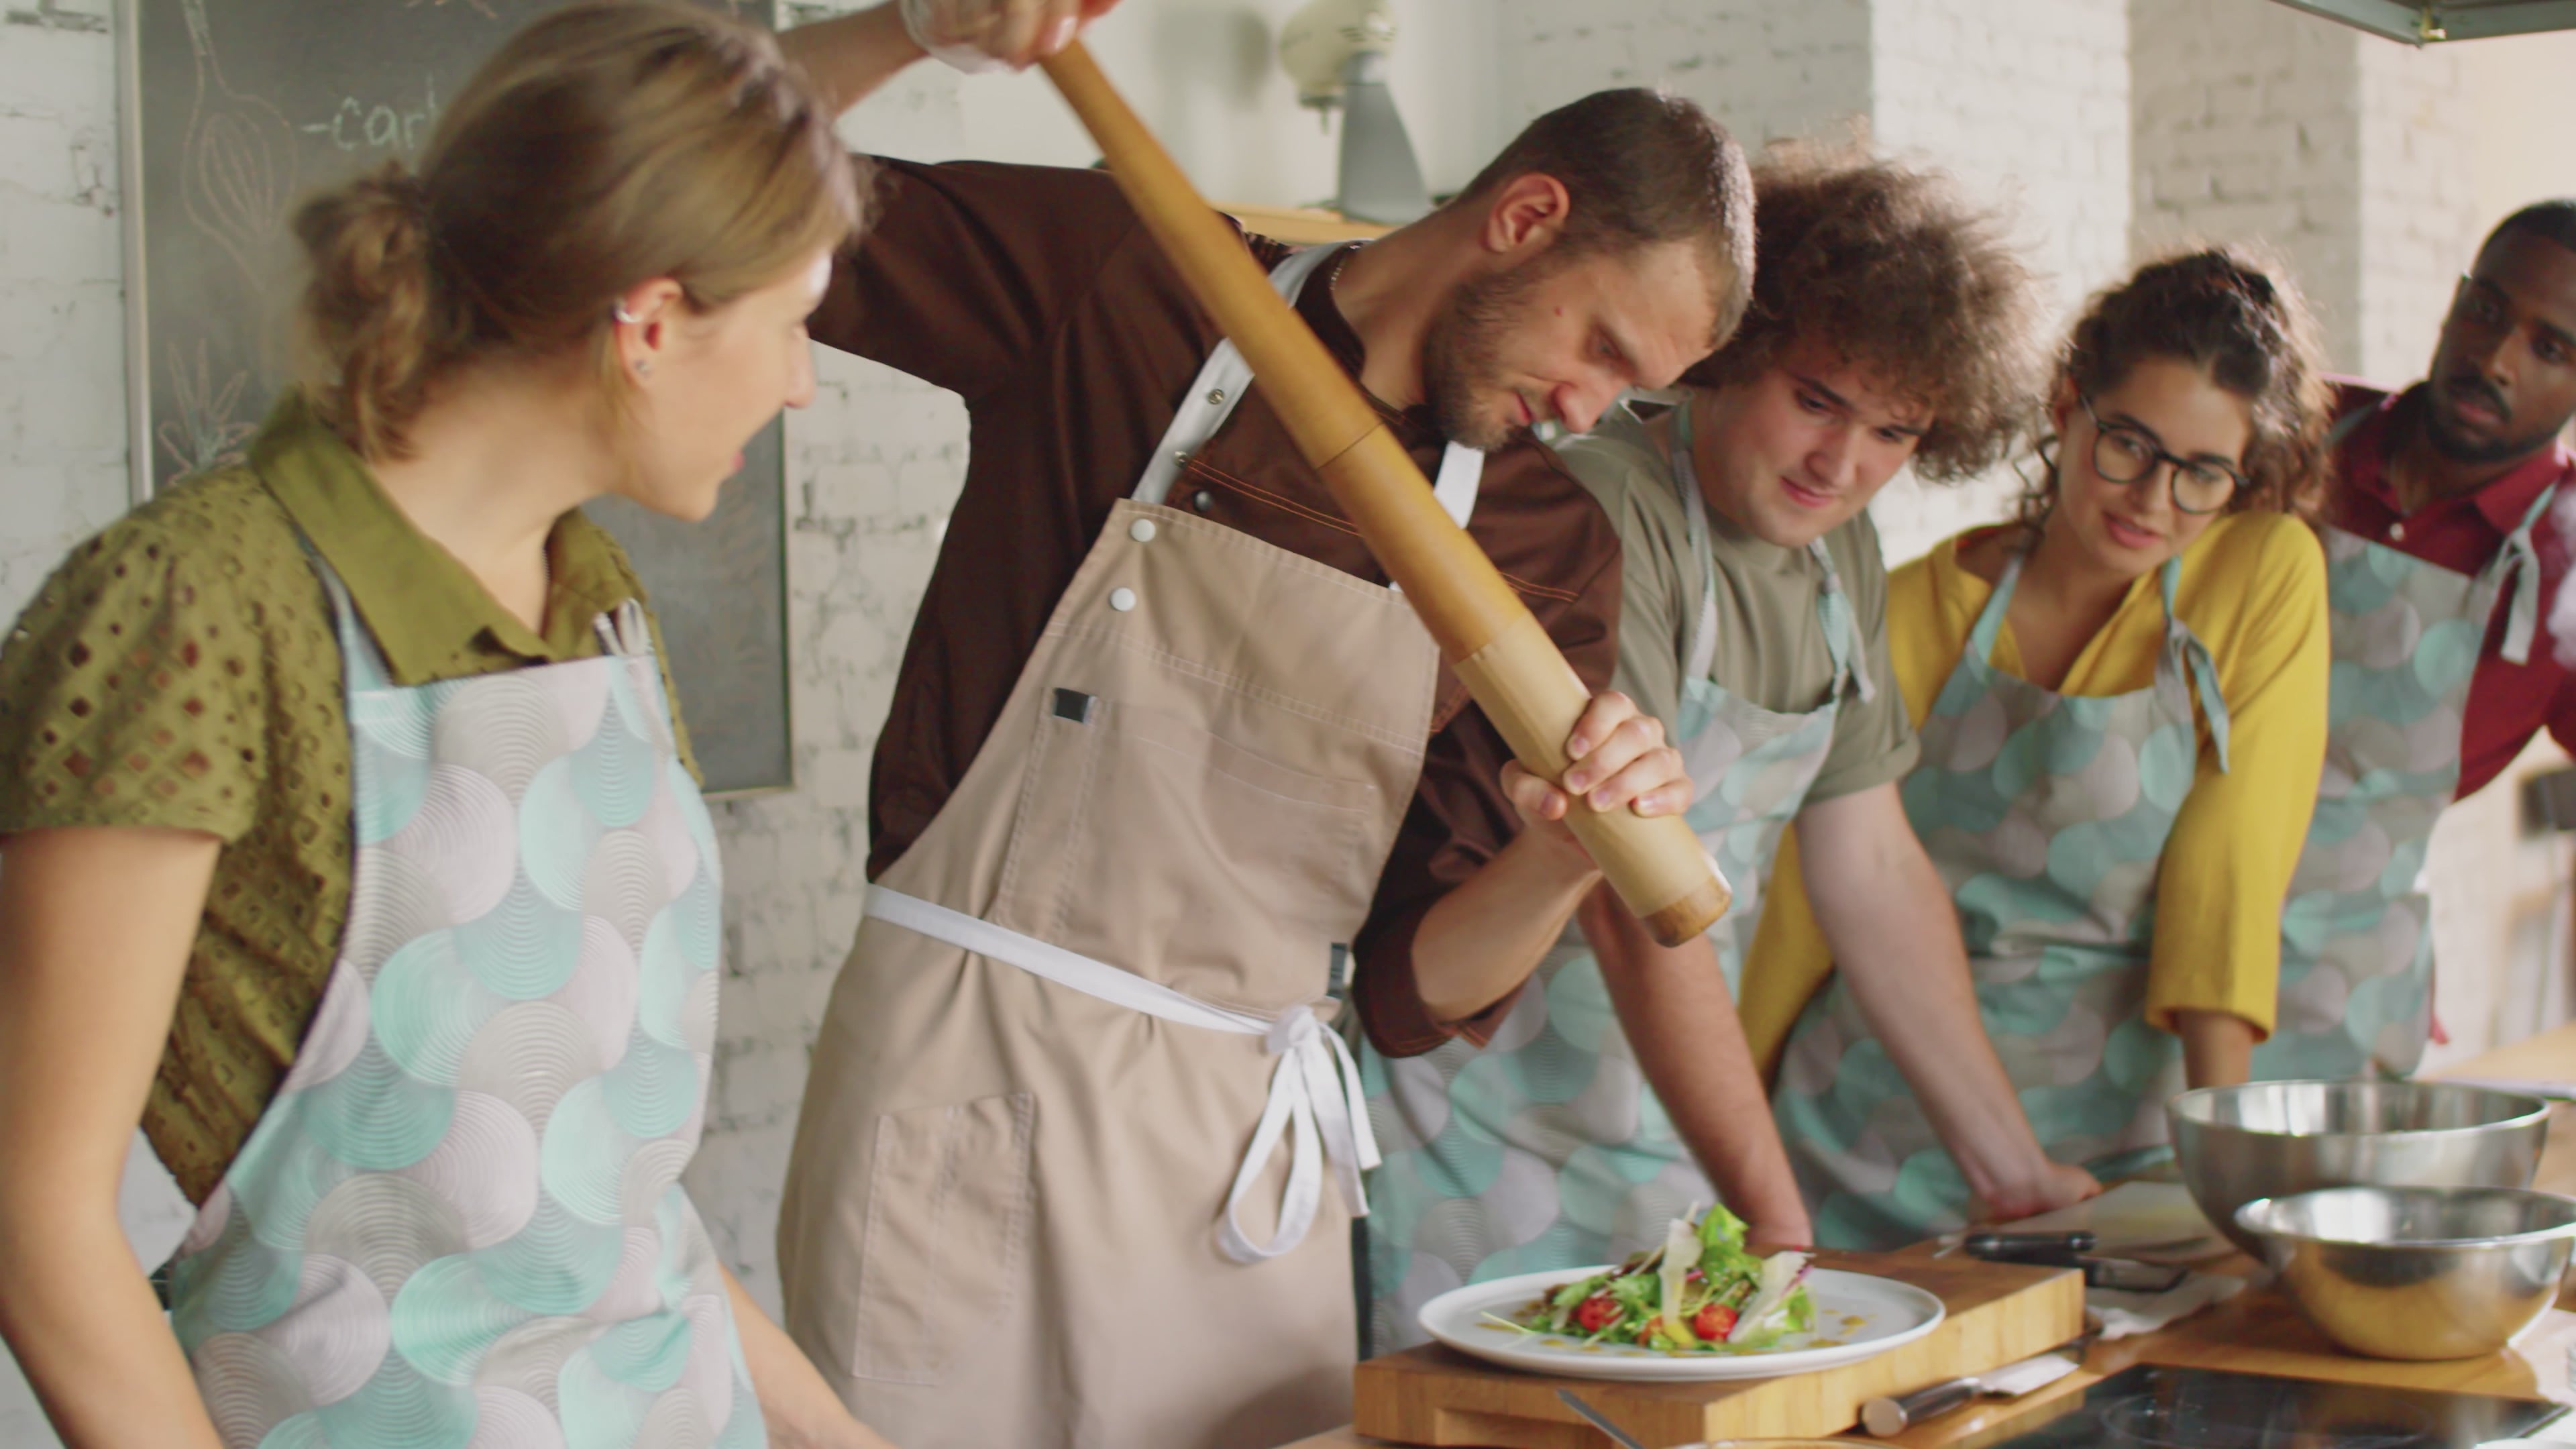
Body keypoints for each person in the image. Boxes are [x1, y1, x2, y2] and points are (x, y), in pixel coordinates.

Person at [768, 5, 1739, 1445]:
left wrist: (1565, 858)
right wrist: (913, 27)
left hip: (1238, 1158)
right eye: (1599, 343)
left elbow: (1410, 994)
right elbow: (697, 183)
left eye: (1630, 386)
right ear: (1527, 218)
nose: (1587, 408)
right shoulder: (1136, 288)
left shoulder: (1544, 544)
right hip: (963, 1086)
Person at [0, 6, 898, 1446]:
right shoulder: (197, 610)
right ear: (653, 322)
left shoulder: (596, 604)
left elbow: (606, 1213)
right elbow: (36, 1221)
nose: (801, 381)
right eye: (794, 323)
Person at [1359, 144, 2098, 1348]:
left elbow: (1871, 868)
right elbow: (1622, 890)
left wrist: (2009, 1171)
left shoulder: (1837, 554)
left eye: (1894, 434)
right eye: (1815, 400)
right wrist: (1777, 1216)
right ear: (1732, 352)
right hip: (1474, 1126)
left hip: (1665, 1118)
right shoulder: (1595, 511)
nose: (1840, 466)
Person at [1749, 248, 2337, 1248]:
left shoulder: (2260, 575)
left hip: (2117, 1168)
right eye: (2129, 446)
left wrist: (2225, 1173)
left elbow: (2228, 872)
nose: (2153, 500)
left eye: (2201, 475)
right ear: (2068, 408)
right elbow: (1811, 904)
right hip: (1853, 1148)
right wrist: (1726, 1152)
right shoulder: (1911, 608)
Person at [2255, 201, 2576, 1081]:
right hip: (2126, 941)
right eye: (2486, 313)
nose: (2496, 359)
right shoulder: (2290, 436)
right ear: (2455, 303)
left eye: (2551, 348)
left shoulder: (2571, 569)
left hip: (2334, 1002)